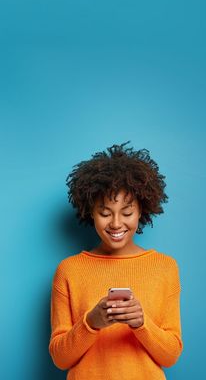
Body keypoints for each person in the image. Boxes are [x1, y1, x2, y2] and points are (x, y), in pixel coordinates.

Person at [49, 142, 183, 379]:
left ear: (142, 210)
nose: (116, 223)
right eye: (105, 213)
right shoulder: (69, 270)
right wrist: (91, 322)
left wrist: (142, 324)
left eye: (127, 212)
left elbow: (170, 356)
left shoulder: (165, 267)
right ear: (90, 212)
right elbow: (60, 359)